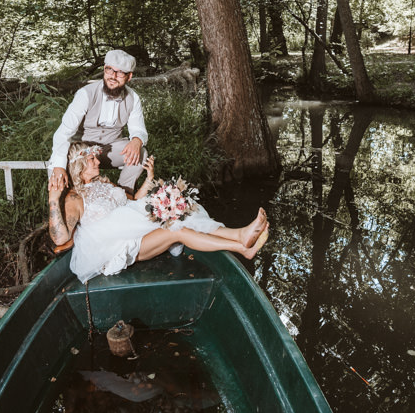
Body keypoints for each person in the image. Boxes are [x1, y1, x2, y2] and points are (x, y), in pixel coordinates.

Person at [48, 142, 269, 284]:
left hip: (136, 231)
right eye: (91, 159)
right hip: (119, 248)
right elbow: (60, 238)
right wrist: (53, 199)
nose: (98, 161)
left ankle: (239, 237)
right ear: (79, 165)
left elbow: (133, 202)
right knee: (177, 229)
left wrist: (149, 178)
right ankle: (240, 246)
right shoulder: (74, 198)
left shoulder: (104, 183)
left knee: (182, 208)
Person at [48, 49, 148, 193]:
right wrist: (58, 166)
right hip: (82, 150)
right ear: (104, 69)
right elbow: (64, 132)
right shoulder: (85, 94)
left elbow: (138, 129)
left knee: (141, 153)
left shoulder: (133, 98)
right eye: (109, 70)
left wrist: (137, 140)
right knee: (58, 166)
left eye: (120, 73)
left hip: (110, 149)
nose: (113, 76)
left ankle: (124, 195)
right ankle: (63, 201)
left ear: (129, 76)